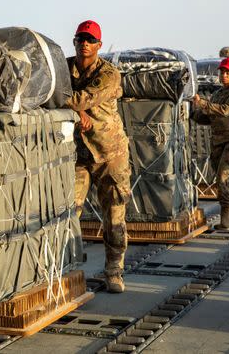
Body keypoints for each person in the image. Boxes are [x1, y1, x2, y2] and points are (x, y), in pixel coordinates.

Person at [66, 20, 130, 293]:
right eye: (80, 38)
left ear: (99, 45)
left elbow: (79, 99)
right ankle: (64, 270)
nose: (85, 44)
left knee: (114, 216)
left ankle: (114, 271)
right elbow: (45, 93)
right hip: (78, 155)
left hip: (109, 154)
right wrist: (77, 113)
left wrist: (75, 107)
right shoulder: (64, 68)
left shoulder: (109, 73)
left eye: (90, 40)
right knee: (68, 211)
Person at [192, 57, 229, 230]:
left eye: (228, 72)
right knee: (224, 180)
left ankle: (227, 219)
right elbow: (208, 118)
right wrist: (192, 111)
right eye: (222, 72)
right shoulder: (218, 94)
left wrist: (202, 103)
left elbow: (225, 111)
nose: (224, 75)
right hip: (219, 143)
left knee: (223, 176)